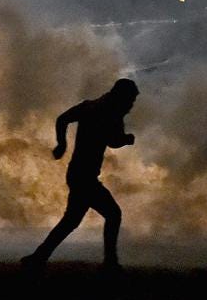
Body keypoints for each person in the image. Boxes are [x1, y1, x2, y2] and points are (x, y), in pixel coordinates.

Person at [20, 77, 138, 272]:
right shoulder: (112, 114)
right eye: (130, 100)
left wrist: (62, 144)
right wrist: (127, 140)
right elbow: (114, 141)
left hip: (77, 173)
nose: (131, 106)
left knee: (71, 221)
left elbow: (62, 119)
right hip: (85, 177)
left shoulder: (91, 107)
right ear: (121, 97)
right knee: (113, 214)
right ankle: (110, 263)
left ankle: (38, 257)